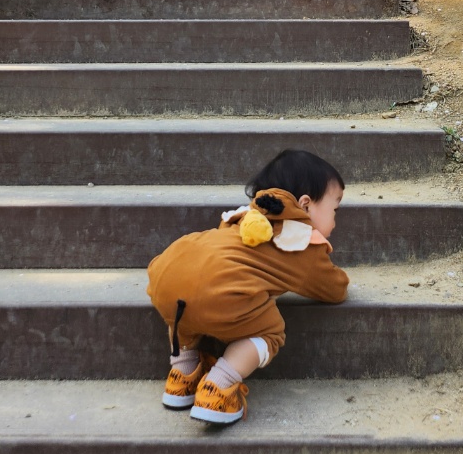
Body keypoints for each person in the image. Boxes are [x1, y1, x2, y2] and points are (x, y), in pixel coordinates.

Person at [146, 148, 349, 425]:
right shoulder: (299, 241)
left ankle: (181, 376)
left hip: (167, 275)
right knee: (271, 331)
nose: (336, 220)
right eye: (334, 209)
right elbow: (333, 289)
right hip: (221, 299)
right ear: (304, 205)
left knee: (184, 301)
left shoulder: (241, 219)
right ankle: (217, 388)